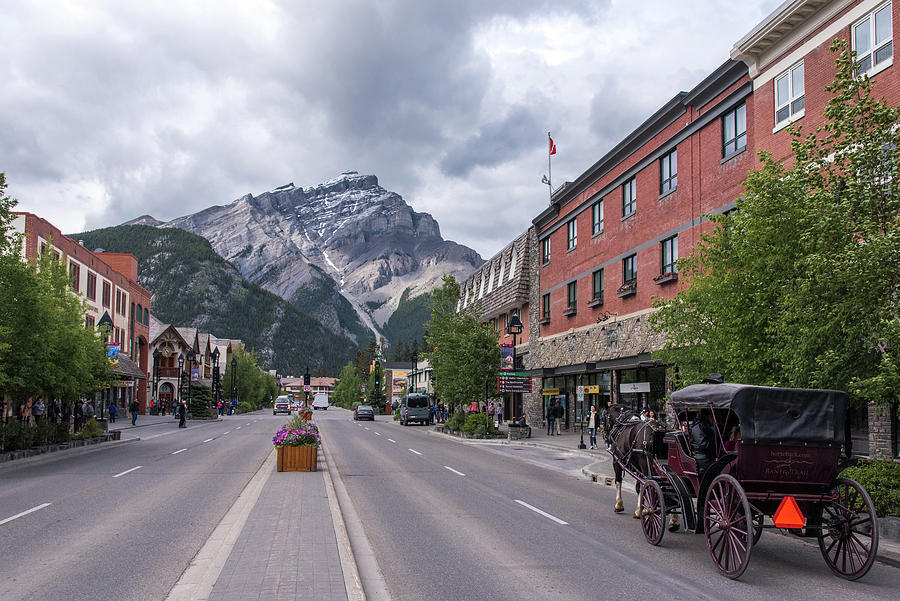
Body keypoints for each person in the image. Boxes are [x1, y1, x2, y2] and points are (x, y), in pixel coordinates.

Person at [690, 409, 716, 474]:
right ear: (708, 416)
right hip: (702, 457)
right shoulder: (698, 427)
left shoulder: (705, 425)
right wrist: (715, 449)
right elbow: (703, 445)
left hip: (706, 455)